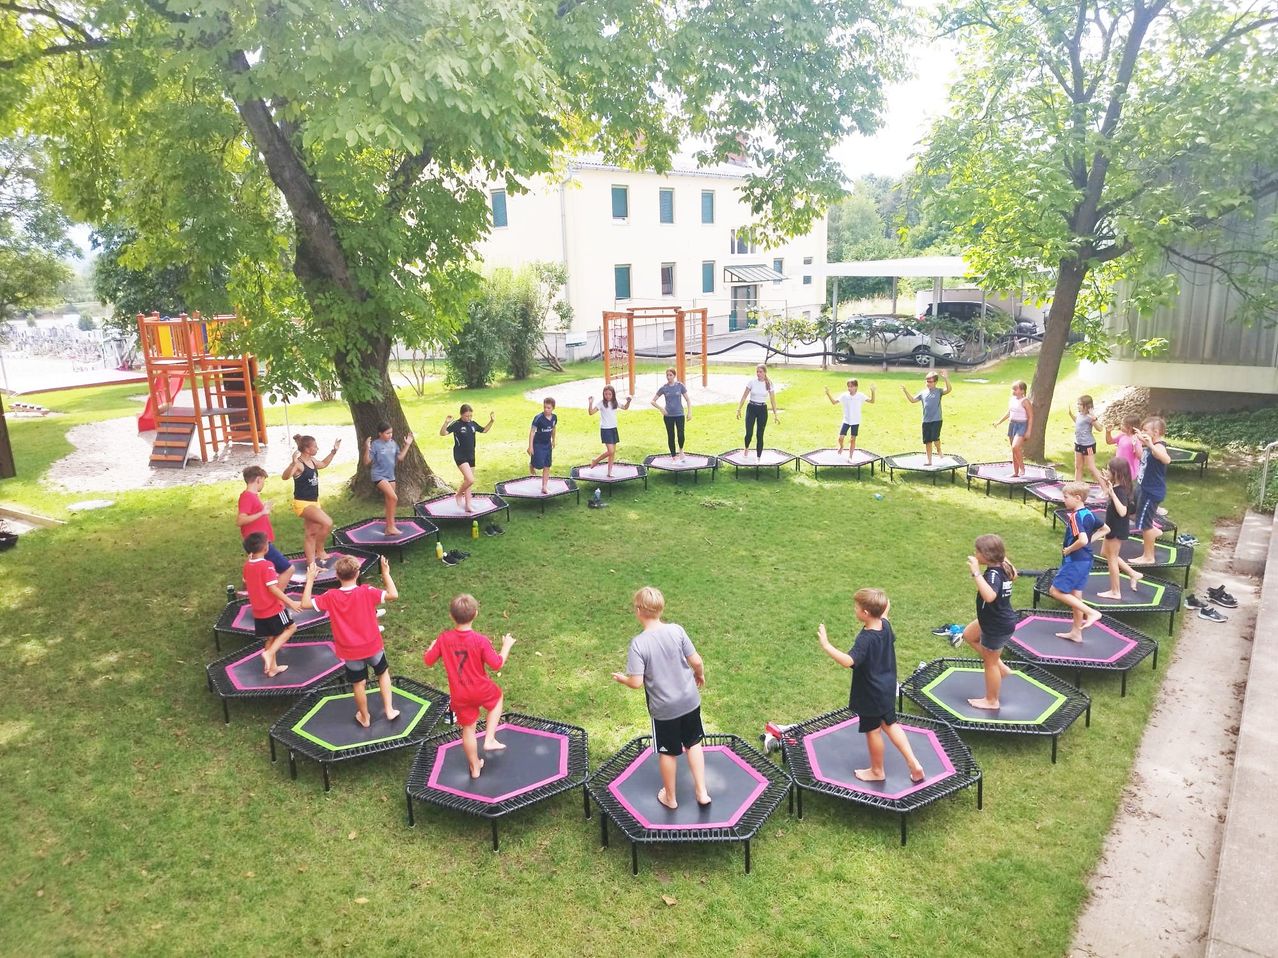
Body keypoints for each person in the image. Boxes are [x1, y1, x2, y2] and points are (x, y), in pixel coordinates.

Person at [612, 586, 711, 809]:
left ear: (638, 611)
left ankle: (670, 798)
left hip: (664, 710)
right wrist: (700, 674)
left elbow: (636, 682)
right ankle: (702, 792)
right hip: (690, 701)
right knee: (693, 743)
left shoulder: (639, 644)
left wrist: (622, 679)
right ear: (661, 609)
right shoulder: (677, 630)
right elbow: (696, 661)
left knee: (668, 752)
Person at [817, 588, 925, 783]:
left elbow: (849, 661)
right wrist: (880, 601)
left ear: (866, 613)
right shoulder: (885, 625)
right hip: (887, 689)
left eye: (856, 607)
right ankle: (914, 763)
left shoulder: (866, 639)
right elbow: (886, 608)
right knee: (890, 724)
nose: (855, 609)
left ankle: (877, 771)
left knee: (873, 730)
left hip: (870, 694)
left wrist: (826, 645)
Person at [423, 594, 516, 779]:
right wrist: (506, 646)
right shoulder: (480, 640)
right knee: (497, 698)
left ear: (451, 616)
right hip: (481, 689)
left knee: (468, 729)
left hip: (459, 693)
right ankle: (489, 739)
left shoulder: (444, 639)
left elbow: (428, 660)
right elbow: (497, 664)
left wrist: (431, 647)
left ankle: (475, 767)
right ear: (475, 614)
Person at [302, 555, 400, 728]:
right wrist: (385, 573)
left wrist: (310, 579)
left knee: (358, 683)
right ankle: (389, 710)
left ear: (337, 576)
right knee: (383, 673)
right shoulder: (366, 591)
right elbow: (393, 594)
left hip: (350, 651)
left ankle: (365, 717)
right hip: (373, 646)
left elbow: (305, 604)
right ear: (358, 573)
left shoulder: (331, 596)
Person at [952, 536, 1017, 710]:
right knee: (968, 635)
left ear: (987, 555)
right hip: (991, 618)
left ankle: (992, 701)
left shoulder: (993, 575)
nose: (975, 554)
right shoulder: (1004, 566)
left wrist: (976, 573)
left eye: (977, 551)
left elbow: (989, 596)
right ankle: (1002, 668)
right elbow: (1014, 575)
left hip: (996, 625)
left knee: (990, 663)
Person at [242, 531, 302, 677]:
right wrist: (291, 602)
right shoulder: (268, 565)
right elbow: (273, 588)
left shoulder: (247, 565)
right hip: (274, 608)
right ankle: (269, 653)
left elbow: (246, 581)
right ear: (266, 548)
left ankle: (272, 669)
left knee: (271, 637)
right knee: (291, 627)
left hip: (258, 611)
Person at [1049, 482, 1104, 642]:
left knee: (1055, 591)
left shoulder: (1075, 516)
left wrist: (1069, 550)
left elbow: (1082, 539)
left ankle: (1091, 612)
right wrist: (1088, 542)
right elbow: (1105, 529)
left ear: (1077, 498)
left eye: (1066, 497)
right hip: (1086, 559)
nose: (1064, 500)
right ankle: (1076, 633)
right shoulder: (1088, 513)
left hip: (1075, 560)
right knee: (1075, 596)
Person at [281, 433, 340, 565]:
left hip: (314, 502)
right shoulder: (299, 464)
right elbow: (285, 477)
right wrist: (292, 464)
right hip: (303, 504)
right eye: (315, 446)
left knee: (311, 533)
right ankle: (320, 550)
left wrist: (333, 452)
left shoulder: (312, 460)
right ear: (307, 449)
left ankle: (311, 564)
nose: (317, 448)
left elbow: (323, 464)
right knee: (327, 522)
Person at [236, 465, 292, 593]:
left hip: (259, 542)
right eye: (263, 481)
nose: (263, 484)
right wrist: (262, 512)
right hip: (259, 543)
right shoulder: (248, 496)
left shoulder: (251, 496)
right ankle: (275, 599)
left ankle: (248, 592)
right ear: (258, 479)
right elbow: (240, 520)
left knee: (258, 572)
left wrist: (263, 510)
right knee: (288, 570)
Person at [1096, 457, 1144, 599]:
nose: (1107, 471)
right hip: (1111, 526)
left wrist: (1112, 494)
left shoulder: (1120, 491)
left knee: (1112, 558)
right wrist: (1108, 484)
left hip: (1116, 528)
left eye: (1109, 469)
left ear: (1116, 473)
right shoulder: (1118, 486)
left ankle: (1115, 591)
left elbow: (1123, 511)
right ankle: (1132, 573)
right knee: (1105, 553)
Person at [1131, 417, 1173, 565]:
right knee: (1135, 514)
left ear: (1155, 432)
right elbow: (1141, 457)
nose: (1142, 432)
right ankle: (1153, 531)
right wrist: (1139, 441)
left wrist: (1150, 445)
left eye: (1145, 430)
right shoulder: (1150, 446)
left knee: (1145, 524)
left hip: (1150, 491)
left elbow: (1167, 460)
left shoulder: (1158, 447)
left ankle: (1148, 557)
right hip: (1142, 487)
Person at [441, 405, 494, 513]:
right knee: (470, 479)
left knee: (468, 483)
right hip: (460, 455)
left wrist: (492, 421)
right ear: (461, 414)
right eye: (466, 416)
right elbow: (443, 433)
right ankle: (458, 494)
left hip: (471, 455)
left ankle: (468, 506)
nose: (469, 418)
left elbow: (484, 430)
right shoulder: (456, 424)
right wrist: (446, 423)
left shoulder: (472, 424)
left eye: (470, 416)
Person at [363, 423, 414, 535]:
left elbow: (400, 457)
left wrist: (407, 445)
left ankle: (389, 527)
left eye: (391, 432)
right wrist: (367, 448)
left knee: (390, 502)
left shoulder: (393, 443)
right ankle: (391, 528)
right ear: (380, 434)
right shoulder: (375, 444)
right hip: (378, 476)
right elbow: (366, 462)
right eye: (387, 433)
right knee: (394, 498)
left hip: (391, 476)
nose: (390, 435)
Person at [901, 370, 951, 465]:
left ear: (935, 382)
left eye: (930, 381)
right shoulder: (923, 393)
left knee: (935, 438)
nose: (928, 383)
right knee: (928, 441)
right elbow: (912, 400)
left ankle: (939, 450)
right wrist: (905, 391)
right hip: (926, 421)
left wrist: (946, 378)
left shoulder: (939, 391)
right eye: (927, 381)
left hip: (937, 419)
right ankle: (929, 460)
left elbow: (948, 389)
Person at [735, 364, 779, 459]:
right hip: (751, 408)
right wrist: (739, 409)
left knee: (760, 434)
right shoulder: (752, 382)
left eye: (760, 372)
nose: (758, 374)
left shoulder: (769, 384)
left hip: (762, 410)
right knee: (749, 433)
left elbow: (773, 400)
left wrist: (775, 414)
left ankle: (758, 457)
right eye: (757, 372)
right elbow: (744, 396)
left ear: (765, 372)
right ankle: (746, 448)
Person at [588, 385, 632, 476]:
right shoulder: (601, 403)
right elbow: (591, 412)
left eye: (609, 394)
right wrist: (590, 403)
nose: (607, 396)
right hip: (605, 429)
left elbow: (625, 407)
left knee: (612, 453)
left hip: (613, 428)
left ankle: (609, 472)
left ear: (613, 394)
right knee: (610, 451)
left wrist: (628, 401)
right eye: (606, 394)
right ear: (603, 394)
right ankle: (596, 460)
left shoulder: (615, 402)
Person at [824, 379, 875, 457]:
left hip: (856, 421)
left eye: (851, 386)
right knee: (840, 438)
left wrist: (873, 392)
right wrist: (828, 394)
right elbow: (834, 402)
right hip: (846, 420)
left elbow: (872, 401)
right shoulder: (844, 395)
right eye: (848, 386)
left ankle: (850, 456)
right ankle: (841, 446)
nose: (849, 388)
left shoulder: (861, 395)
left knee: (852, 439)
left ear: (856, 387)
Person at [992, 380, 1032, 477]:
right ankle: (1016, 472)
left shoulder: (1025, 401)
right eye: (1012, 389)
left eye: (1015, 389)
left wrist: (1028, 431)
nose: (1013, 391)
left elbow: (1031, 417)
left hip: (1022, 425)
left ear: (1022, 391)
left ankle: (1022, 468)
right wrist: (999, 422)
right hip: (1012, 425)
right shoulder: (1012, 400)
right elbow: (1009, 413)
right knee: (1014, 450)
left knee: (1015, 447)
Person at [651, 368, 692, 459]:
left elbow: (688, 400)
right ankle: (673, 456)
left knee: (681, 434)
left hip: (679, 415)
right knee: (671, 436)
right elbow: (653, 401)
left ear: (674, 376)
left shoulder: (680, 386)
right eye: (667, 375)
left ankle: (681, 451)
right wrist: (661, 409)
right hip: (668, 416)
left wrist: (689, 412)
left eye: (670, 375)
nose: (669, 377)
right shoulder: (664, 388)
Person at [527, 398, 558, 494]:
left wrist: (553, 440)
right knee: (539, 465)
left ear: (553, 408)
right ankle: (532, 464)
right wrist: (530, 446)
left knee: (547, 465)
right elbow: (532, 432)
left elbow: (553, 428)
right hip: (538, 444)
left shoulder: (554, 418)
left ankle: (544, 487)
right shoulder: (538, 418)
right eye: (544, 407)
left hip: (547, 444)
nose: (546, 409)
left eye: (548, 408)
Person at [1069, 394, 1102, 482]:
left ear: (1086, 406)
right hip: (1078, 444)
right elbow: (1078, 422)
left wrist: (1094, 418)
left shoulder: (1089, 417)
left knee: (1091, 467)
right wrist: (1071, 415)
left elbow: (1100, 429)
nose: (1078, 406)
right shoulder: (1079, 414)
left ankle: (1105, 486)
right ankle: (1077, 486)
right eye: (1078, 404)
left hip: (1088, 445)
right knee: (1078, 466)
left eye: (1080, 404)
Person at [1104, 414, 1142, 480]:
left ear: (1129, 427)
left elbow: (1139, 456)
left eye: (1122, 424)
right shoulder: (1122, 435)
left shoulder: (1136, 439)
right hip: (1118, 467)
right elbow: (1109, 441)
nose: (1120, 426)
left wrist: (1136, 443)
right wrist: (1108, 432)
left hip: (1128, 470)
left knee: (1124, 484)